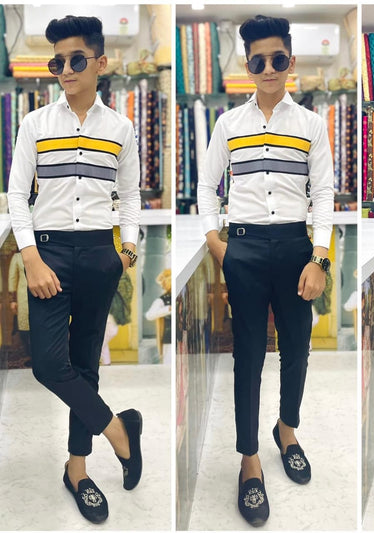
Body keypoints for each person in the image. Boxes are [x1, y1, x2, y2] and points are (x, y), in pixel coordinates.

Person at [197, 14, 334, 526]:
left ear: (290, 61)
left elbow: (323, 194)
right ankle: (249, 459)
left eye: (278, 59)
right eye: (259, 61)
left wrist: (319, 257)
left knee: (297, 349)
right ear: (247, 65)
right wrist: (216, 241)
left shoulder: (311, 124)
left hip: (296, 246)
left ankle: (287, 430)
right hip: (245, 248)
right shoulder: (229, 124)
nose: (269, 68)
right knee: (248, 357)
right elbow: (207, 186)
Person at [7, 15, 143, 524]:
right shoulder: (35, 124)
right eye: (57, 62)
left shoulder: (121, 129)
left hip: (99, 254)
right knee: (48, 364)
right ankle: (119, 431)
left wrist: (126, 253)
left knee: (86, 364)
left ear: (100, 63)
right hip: (49, 253)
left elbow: (130, 197)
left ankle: (78, 470)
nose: (65, 69)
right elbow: (17, 196)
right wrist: (31, 257)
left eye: (76, 59)